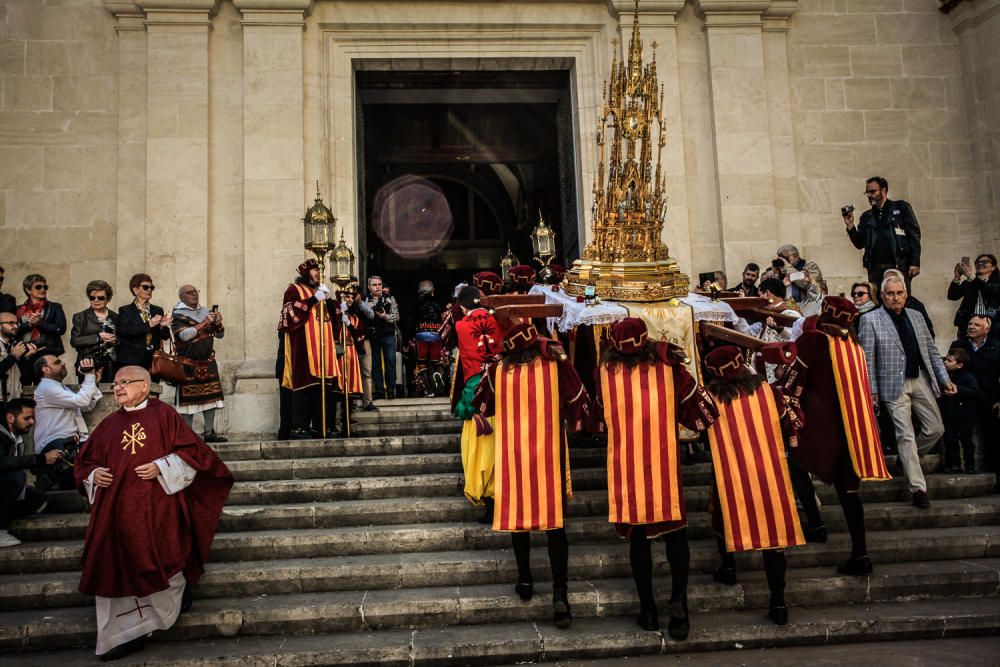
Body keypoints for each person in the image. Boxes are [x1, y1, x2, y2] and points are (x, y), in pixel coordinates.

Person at [74, 365, 233, 661]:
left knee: (161, 556)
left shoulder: (165, 416)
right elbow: (84, 462)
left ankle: (151, 623)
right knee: (112, 565)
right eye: (116, 384)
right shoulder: (109, 424)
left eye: (125, 382)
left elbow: (196, 455)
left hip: (157, 509)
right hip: (115, 515)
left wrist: (163, 466)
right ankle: (120, 636)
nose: (118, 388)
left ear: (144, 386)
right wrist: (94, 474)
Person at [596, 318, 717, 638]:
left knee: (638, 541)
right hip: (663, 465)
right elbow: (699, 410)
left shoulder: (605, 374)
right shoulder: (669, 368)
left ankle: (648, 609)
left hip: (626, 466)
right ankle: (679, 605)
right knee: (676, 536)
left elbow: (598, 414)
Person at [473, 322, 591, 629]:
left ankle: (525, 579)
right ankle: (559, 592)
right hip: (549, 454)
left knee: (519, 522)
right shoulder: (555, 365)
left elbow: (480, 404)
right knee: (555, 527)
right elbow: (579, 399)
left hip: (514, 456)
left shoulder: (497, 371)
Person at [778, 296, 891, 574]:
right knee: (849, 493)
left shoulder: (815, 340)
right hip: (850, 431)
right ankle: (860, 553)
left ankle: (816, 524)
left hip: (818, 427)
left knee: (794, 462)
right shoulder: (852, 346)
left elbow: (792, 377)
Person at [703, 344, 805, 626]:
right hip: (768, 471)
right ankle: (778, 601)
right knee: (772, 539)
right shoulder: (769, 392)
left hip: (730, 471)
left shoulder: (711, 397)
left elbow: (700, 430)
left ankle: (728, 566)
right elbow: (788, 424)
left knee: (722, 512)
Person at [858, 277, 955, 509]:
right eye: (890, 293)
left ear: (905, 294)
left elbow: (931, 351)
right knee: (906, 434)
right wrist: (871, 389)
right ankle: (918, 488)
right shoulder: (870, 319)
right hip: (891, 383)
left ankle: (907, 459)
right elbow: (867, 358)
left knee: (935, 428)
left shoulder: (917, 316)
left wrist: (944, 379)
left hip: (919, 377)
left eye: (899, 293)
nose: (895, 297)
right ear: (882, 296)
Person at [452, 285, 502, 522]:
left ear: (462, 306)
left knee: (480, 448)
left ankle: (489, 502)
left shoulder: (461, 325)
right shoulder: (496, 319)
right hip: (500, 386)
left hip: (476, 390)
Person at [278, 259, 340, 439]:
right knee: (305, 386)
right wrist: (314, 299)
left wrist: (330, 302)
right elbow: (290, 315)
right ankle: (300, 427)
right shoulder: (294, 290)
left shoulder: (322, 292)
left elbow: (334, 321)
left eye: (320, 271)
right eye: (315, 270)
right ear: (305, 273)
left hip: (325, 347)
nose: (319, 274)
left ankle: (323, 426)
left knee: (325, 387)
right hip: (304, 346)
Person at [32, 355, 102, 493]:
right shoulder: (46, 388)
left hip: (71, 442)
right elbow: (81, 401)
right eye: (57, 362)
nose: (63, 363)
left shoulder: (59, 387)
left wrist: (93, 381)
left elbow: (86, 406)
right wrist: (88, 377)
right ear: (46, 369)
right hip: (56, 445)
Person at [0, 398, 61, 547]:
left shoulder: (17, 438)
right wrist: (39, 459)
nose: (32, 422)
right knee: (16, 477)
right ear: (10, 417)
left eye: (33, 418)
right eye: (27, 418)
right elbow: (2, 462)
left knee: (38, 498)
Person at [843, 176, 921, 289]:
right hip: (875, 269)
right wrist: (850, 225)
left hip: (898, 266)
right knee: (877, 302)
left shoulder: (901, 208)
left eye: (872, 191)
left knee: (899, 299)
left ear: (883, 191)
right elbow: (859, 243)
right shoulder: (867, 216)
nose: (869, 195)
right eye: (867, 193)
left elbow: (914, 236)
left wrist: (915, 262)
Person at [171, 285, 226, 443]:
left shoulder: (206, 311)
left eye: (196, 291)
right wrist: (204, 323)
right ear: (182, 297)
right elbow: (184, 336)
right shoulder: (178, 315)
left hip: (207, 362)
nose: (194, 294)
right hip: (188, 364)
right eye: (189, 292)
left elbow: (220, 335)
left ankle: (209, 433)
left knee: (211, 398)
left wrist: (218, 323)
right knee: (188, 402)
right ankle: (187, 435)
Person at [951, 315, 1000, 483]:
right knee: (959, 435)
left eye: (977, 325)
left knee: (992, 436)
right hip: (963, 397)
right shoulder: (959, 345)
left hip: (987, 398)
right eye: (970, 323)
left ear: (986, 329)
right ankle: (958, 465)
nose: (971, 327)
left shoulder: (995, 347)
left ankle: (994, 473)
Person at [15, 273, 67, 385]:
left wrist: (40, 323)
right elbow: (14, 331)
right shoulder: (18, 310)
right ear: (28, 290)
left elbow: (61, 328)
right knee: (25, 385)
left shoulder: (54, 307)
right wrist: (28, 325)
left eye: (45, 287)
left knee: (46, 385)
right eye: (38, 287)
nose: (43, 289)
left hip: (46, 351)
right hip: (25, 353)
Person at [116, 273, 171, 371]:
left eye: (151, 287)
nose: (149, 290)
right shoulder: (125, 310)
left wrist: (162, 327)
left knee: (153, 386)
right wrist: (149, 324)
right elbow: (123, 332)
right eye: (145, 287)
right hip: (131, 360)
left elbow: (165, 336)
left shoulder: (157, 310)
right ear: (135, 290)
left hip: (153, 360)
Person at [940, 347, 979, 474]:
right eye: (945, 360)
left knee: (967, 442)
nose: (945, 362)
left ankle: (970, 465)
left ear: (959, 365)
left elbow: (974, 391)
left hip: (964, 416)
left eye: (949, 361)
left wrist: (958, 390)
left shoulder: (967, 377)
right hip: (949, 415)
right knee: (950, 441)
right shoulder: (944, 377)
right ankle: (953, 464)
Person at [70, 280, 119, 381]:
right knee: (88, 395)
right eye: (92, 298)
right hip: (89, 364)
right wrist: (98, 337)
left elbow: (124, 339)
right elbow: (74, 341)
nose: (96, 300)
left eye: (101, 298)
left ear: (108, 299)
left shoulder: (116, 317)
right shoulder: (80, 317)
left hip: (112, 364)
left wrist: (116, 340)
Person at [948, 253, 1000, 338]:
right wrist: (957, 277)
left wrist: (970, 276)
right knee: (966, 350)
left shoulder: (997, 283)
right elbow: (952, 296)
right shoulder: (968, 282)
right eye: (978, 262)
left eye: (985, 262)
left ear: (993, 267)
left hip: (991, 325)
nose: (980, 264)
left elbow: (989, 290)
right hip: (968, 325)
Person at [343, 283, 377, 412]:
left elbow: (371, 315)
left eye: (353, 294)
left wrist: (360, 302)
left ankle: (367, 401)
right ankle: (349, 403)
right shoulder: (341, 305)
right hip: (347, 341)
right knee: (348, 371)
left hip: (364, 340)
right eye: (348, 295)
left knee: (366, 371)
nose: (350, 298)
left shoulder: (362, 302)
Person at [365, 275, 399, 400]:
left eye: (379, 284)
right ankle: (379, 390)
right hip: (373, 336)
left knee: (390, 361)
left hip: (388, 335)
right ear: (369, 287)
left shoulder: (390, 298)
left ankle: (391, 390)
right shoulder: (365, 300)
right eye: (374, 285)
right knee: (375, 363)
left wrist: (385, 317)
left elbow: (396, 317)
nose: (378, 287)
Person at [412, 280, 445, 397]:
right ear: (433, 291)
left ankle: (428, 390)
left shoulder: (416, 303)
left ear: (419, 291)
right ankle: (437, 377)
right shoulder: (439, 302)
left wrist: (409, 338)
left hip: (421, 334)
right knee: (436, 362)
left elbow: (411, 321)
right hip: (436, 334)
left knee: (422, 363)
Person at [775, 245, 823, 317]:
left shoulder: (811, 266)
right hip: (790, 307)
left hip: (809, 308)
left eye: (785, 258)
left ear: (795, 256)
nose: (783, 261)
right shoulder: (784, 271)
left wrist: (788, 267)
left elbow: (805, 284)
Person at [0, 313, 35, 407]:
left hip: (13, 400)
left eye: (17, 323)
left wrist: (26, 358)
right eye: (11, 323)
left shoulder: (15, 345)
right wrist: (13, 357)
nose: (15, 326)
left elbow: (24, 379)